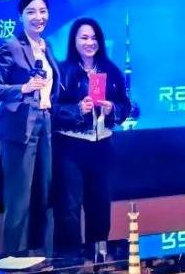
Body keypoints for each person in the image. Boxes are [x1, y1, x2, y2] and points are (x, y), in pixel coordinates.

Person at [0, 0, 59, 255]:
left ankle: (41, 258)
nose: (38, 17)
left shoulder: (47, 46)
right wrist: (23, 88)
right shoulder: (11, 46)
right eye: (31, 12)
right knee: (19, 200)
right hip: (19, 129)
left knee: (45, 196)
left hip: (45, 124)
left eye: (43, 11)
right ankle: (13, 261)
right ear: (20, 16)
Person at [53, 17, 130, 255]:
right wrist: (77, 110)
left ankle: (98, 260)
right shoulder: (62, 71)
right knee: (69, 209)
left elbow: (126, 106)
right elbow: (50, 110)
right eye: (84, 37)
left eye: (94, 38)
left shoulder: (111, 71)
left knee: (100, 206)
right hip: (70, 147)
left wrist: (112, 109)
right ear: (74, 41)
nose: (90, 42)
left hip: (102, 145)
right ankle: (69, 264)